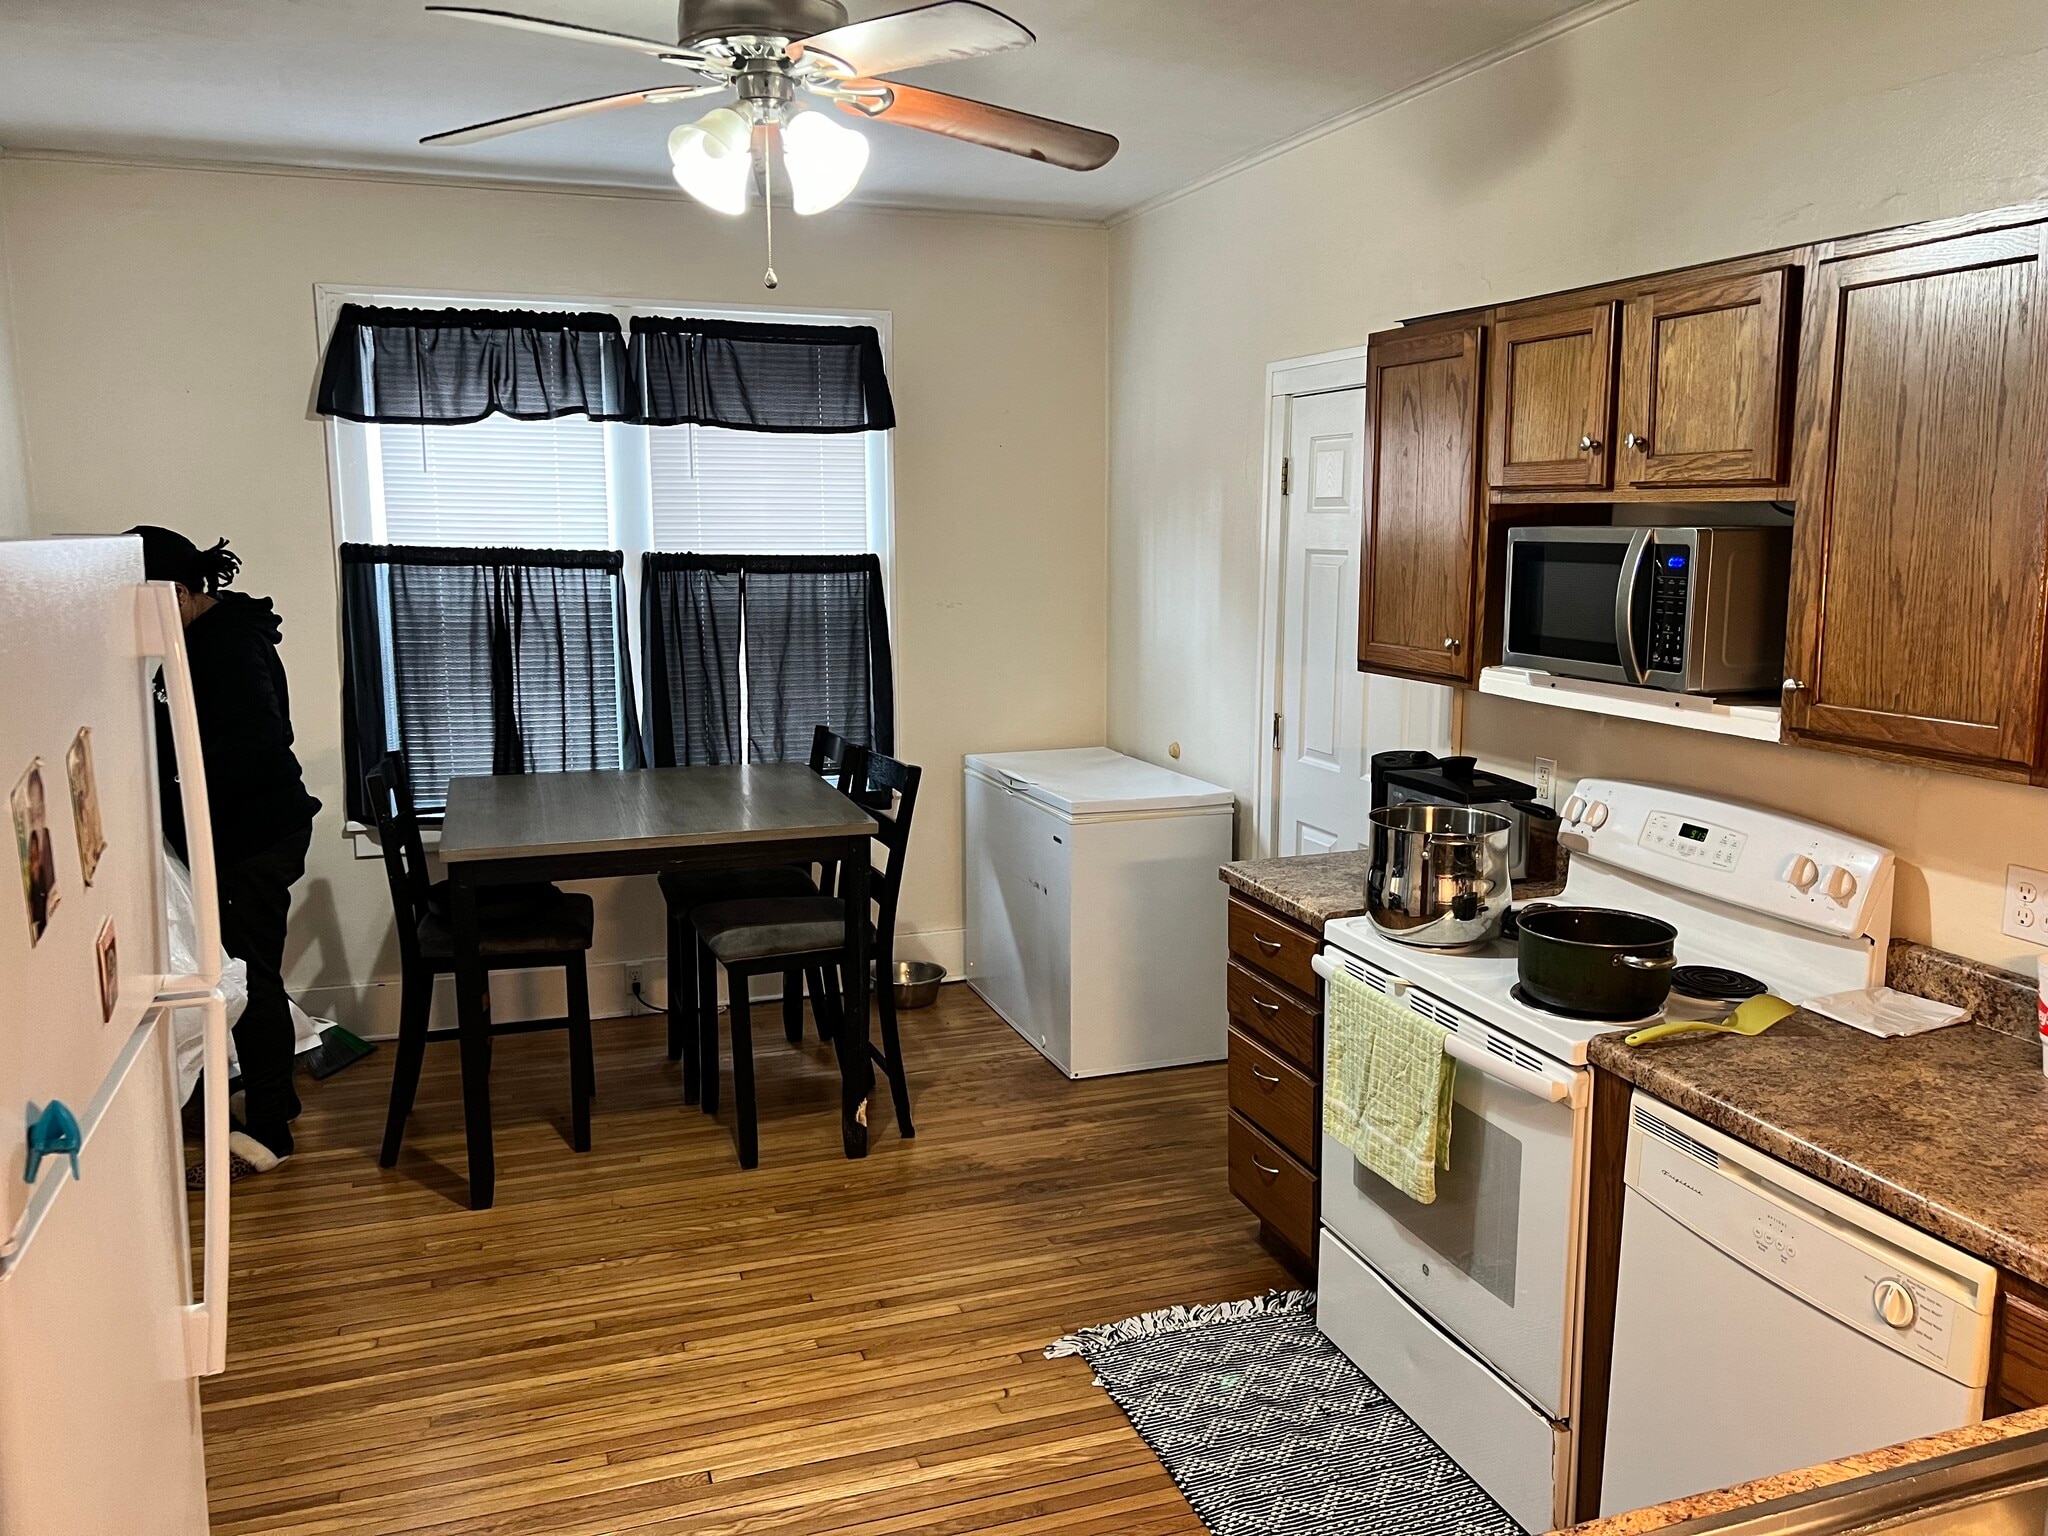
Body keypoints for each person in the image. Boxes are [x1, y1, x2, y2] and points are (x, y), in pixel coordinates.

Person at [130, 527, 321, 1183]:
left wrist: (180, 787)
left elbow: (262, 745)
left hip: (254, 839)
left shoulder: (227, 647)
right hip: (244, 835)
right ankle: (273, 1096)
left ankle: (270, 1132)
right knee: (245, 971)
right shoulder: (206, 637)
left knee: (250, 977)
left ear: (177, 592)